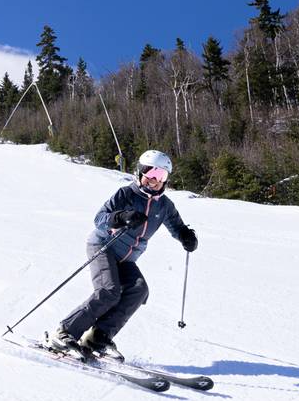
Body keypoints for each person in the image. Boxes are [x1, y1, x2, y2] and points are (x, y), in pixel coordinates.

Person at [44, 149, 198, 360]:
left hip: (127, 258)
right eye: (150, 174)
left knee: (139, 290)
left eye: (160, 176)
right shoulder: (126, 194)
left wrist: (186, 236)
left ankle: (98, 337)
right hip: (104, 246)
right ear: (140, 173)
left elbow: (177, 226)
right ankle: (64, 333)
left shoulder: (165, 206)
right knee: (109, 291)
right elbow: (100, 218)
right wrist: (122, 216)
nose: (154, 180)